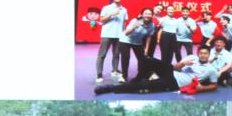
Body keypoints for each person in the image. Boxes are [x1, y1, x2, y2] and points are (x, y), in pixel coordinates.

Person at [93, 45, 221, 95]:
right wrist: (183, 63)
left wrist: (202, 88)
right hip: (171, 72)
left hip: (175, 83)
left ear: (209, 54)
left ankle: (111, 88)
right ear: (198, 53)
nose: (203, 55)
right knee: (149, 60)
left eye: (205, 53)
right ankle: (138, 78)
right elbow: (175, 67)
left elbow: (214, 85)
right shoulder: (192, 57)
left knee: (144, 85)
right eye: (201, 53)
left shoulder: (211, 69)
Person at [96, 0, 129, 83]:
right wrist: (111, 14)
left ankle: (114, 70)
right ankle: (99, 74)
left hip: (119, 35)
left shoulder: (124, 9)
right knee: (102, 55)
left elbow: (124, 23)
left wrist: (124, 34)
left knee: (116, 54)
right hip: (107, 35)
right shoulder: (106, 8)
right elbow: (101, 20)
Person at [118, 7, 155, 81]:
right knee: (126, 58)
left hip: (138, 42)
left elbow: (149, 37)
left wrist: (146, 49)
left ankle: (141, 75)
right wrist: (134, 26)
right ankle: (124, 76)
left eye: (150, 14)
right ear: (142, 15)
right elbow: (126, 33)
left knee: (142, 59)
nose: (147, 15)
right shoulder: (135, 21)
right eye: (146, 13)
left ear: (152, 15)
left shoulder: (152, 25)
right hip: (125, 40)